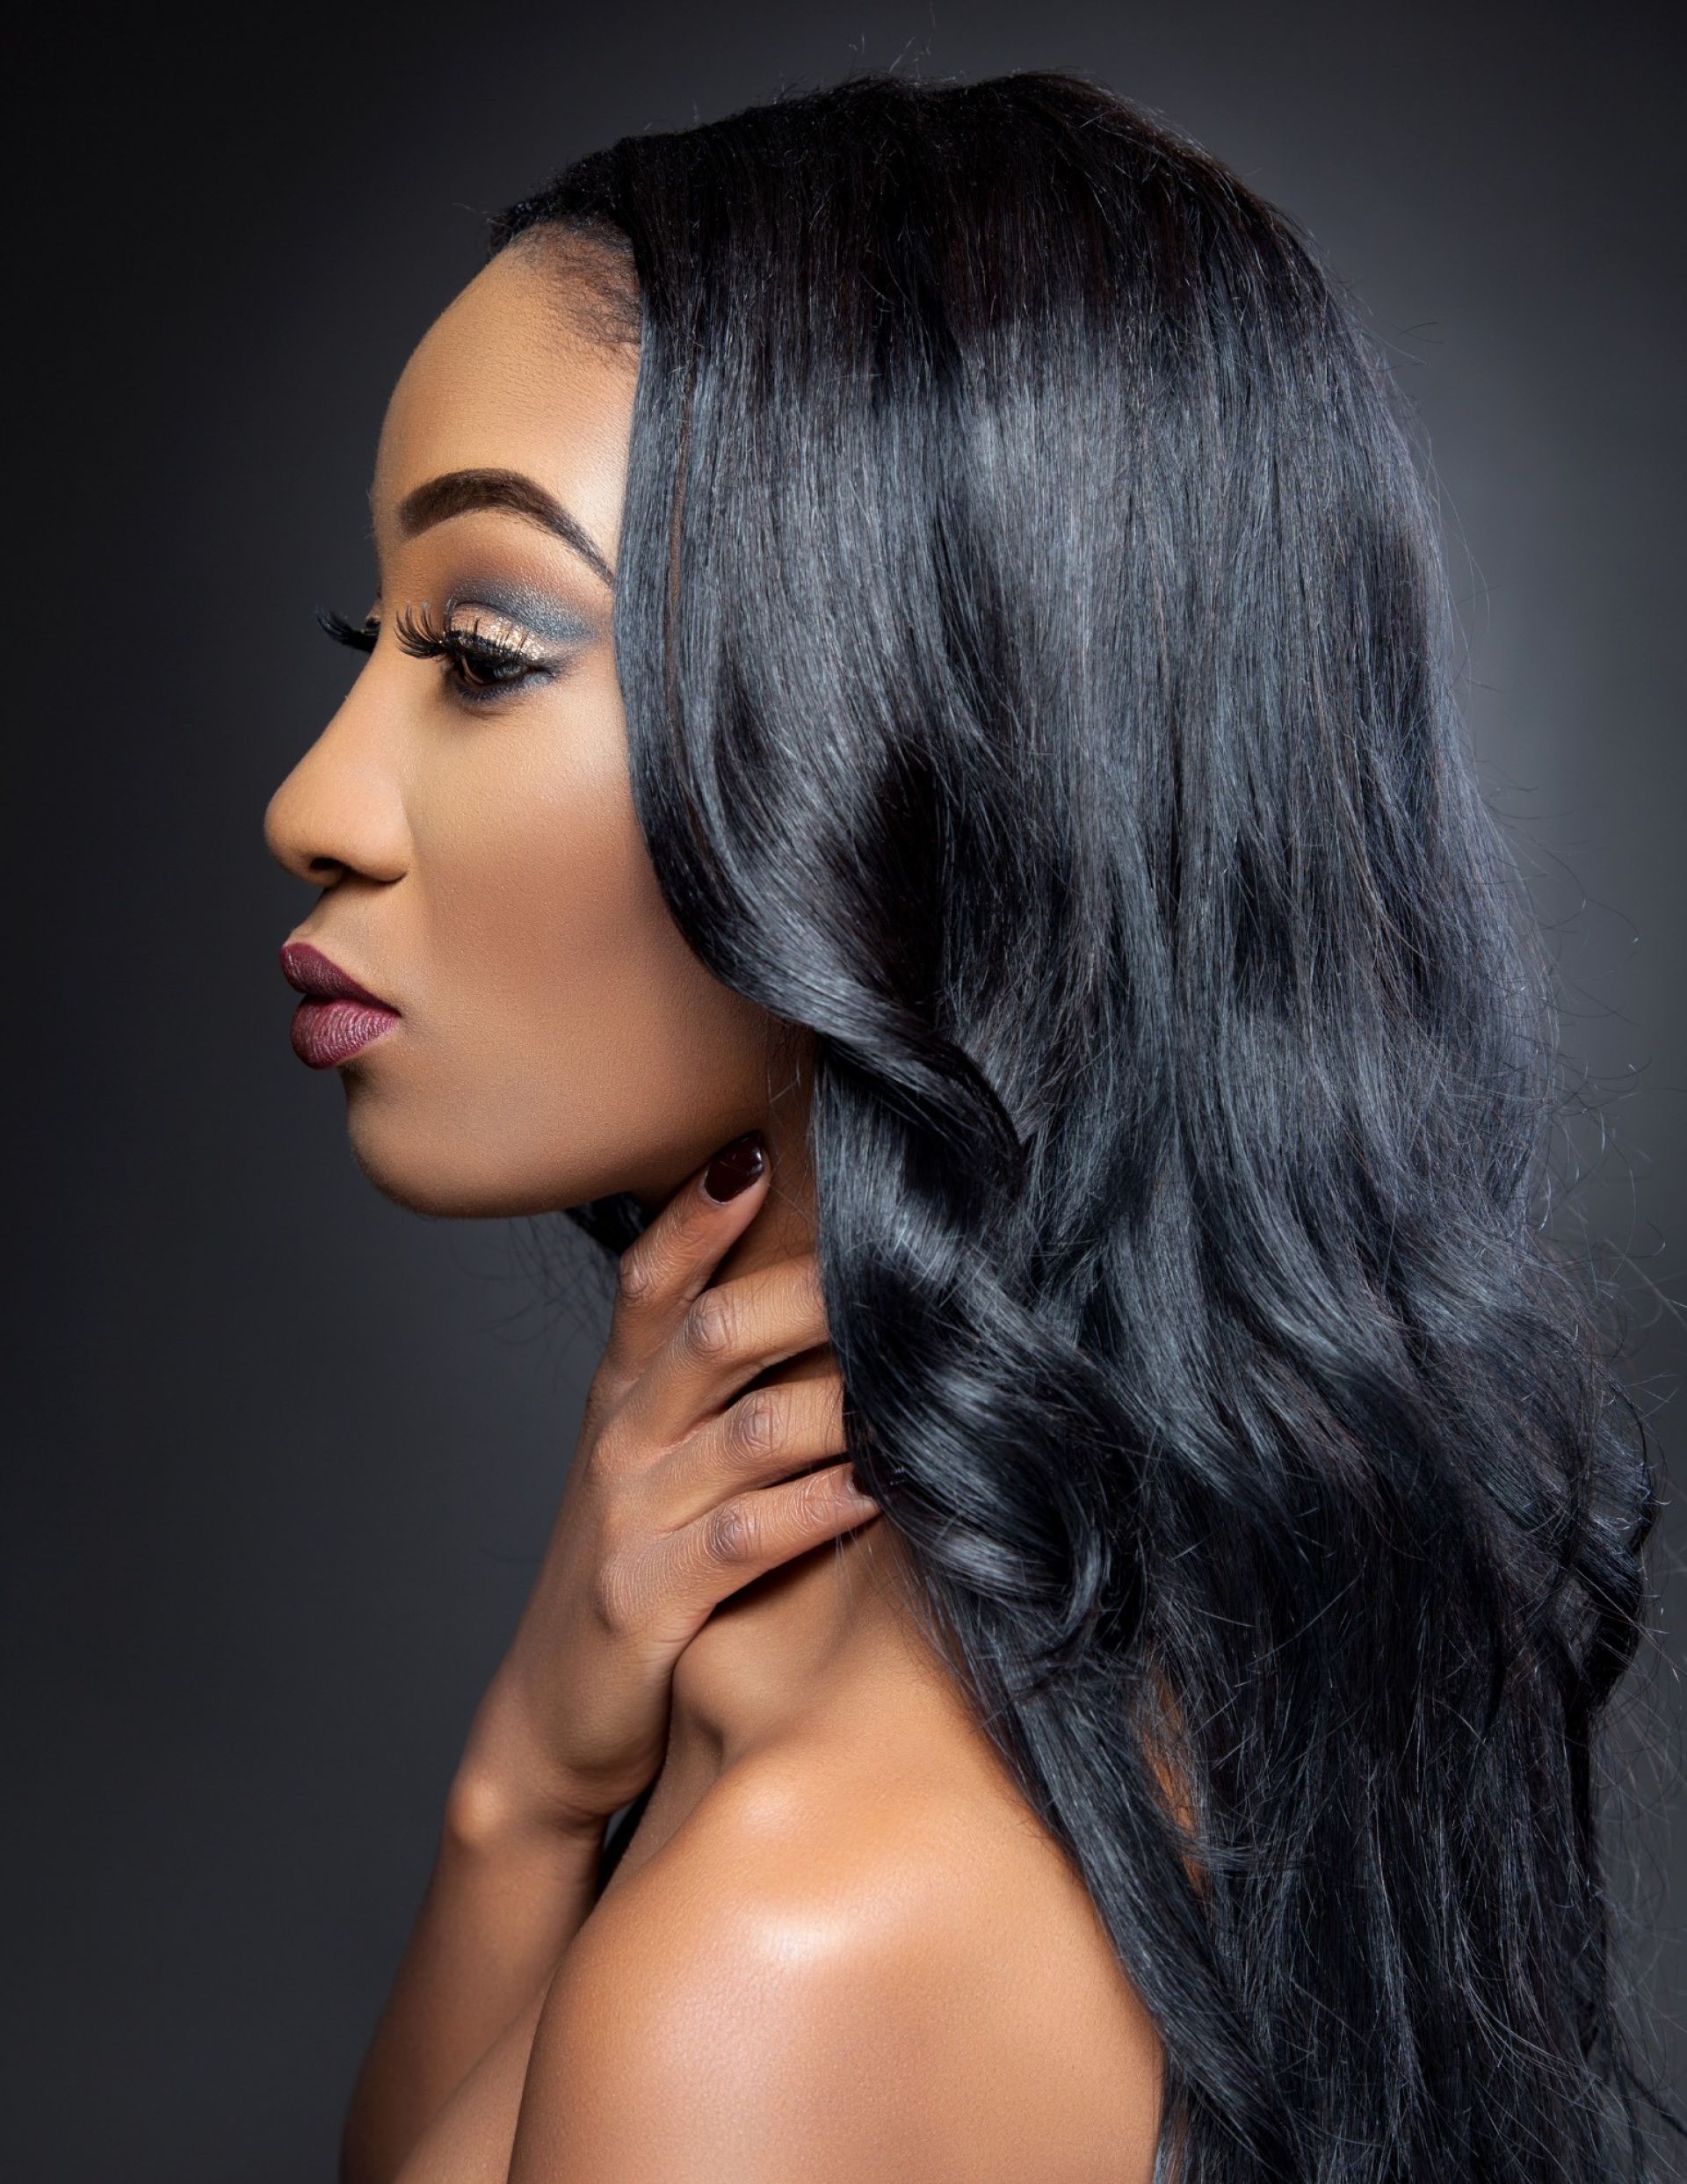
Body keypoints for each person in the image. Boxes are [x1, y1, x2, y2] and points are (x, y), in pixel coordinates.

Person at [263, 68, 1670, 2184]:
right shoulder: (1132, 1672)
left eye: (483, 649)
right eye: (369, 640)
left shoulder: (789, 1948)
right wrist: (528, 1792)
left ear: (921, 749)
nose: (310, 803)